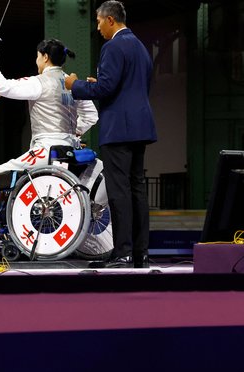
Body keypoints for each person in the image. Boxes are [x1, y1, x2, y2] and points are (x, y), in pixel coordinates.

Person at [65, 0, 157, 269]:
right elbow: (127, 87)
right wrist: (101, 85)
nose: (97, 27)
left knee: (119, 191)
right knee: (137, 189)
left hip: (119, 130)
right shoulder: (140, 47)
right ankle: (140, 254)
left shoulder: (113, 46)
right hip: (140, 126)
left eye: (98, 21)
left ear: (110, 20)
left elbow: (106, 89)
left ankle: (122, 253)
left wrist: (76, 85)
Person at [0, 37, 98, 198]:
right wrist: (73, 133)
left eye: (38, 56)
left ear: (45, 57)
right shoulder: (73, 83)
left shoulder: (38, 82)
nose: (37, 60)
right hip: (72, 150)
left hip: (47, 151)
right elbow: (91, 116)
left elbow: (1, 86)